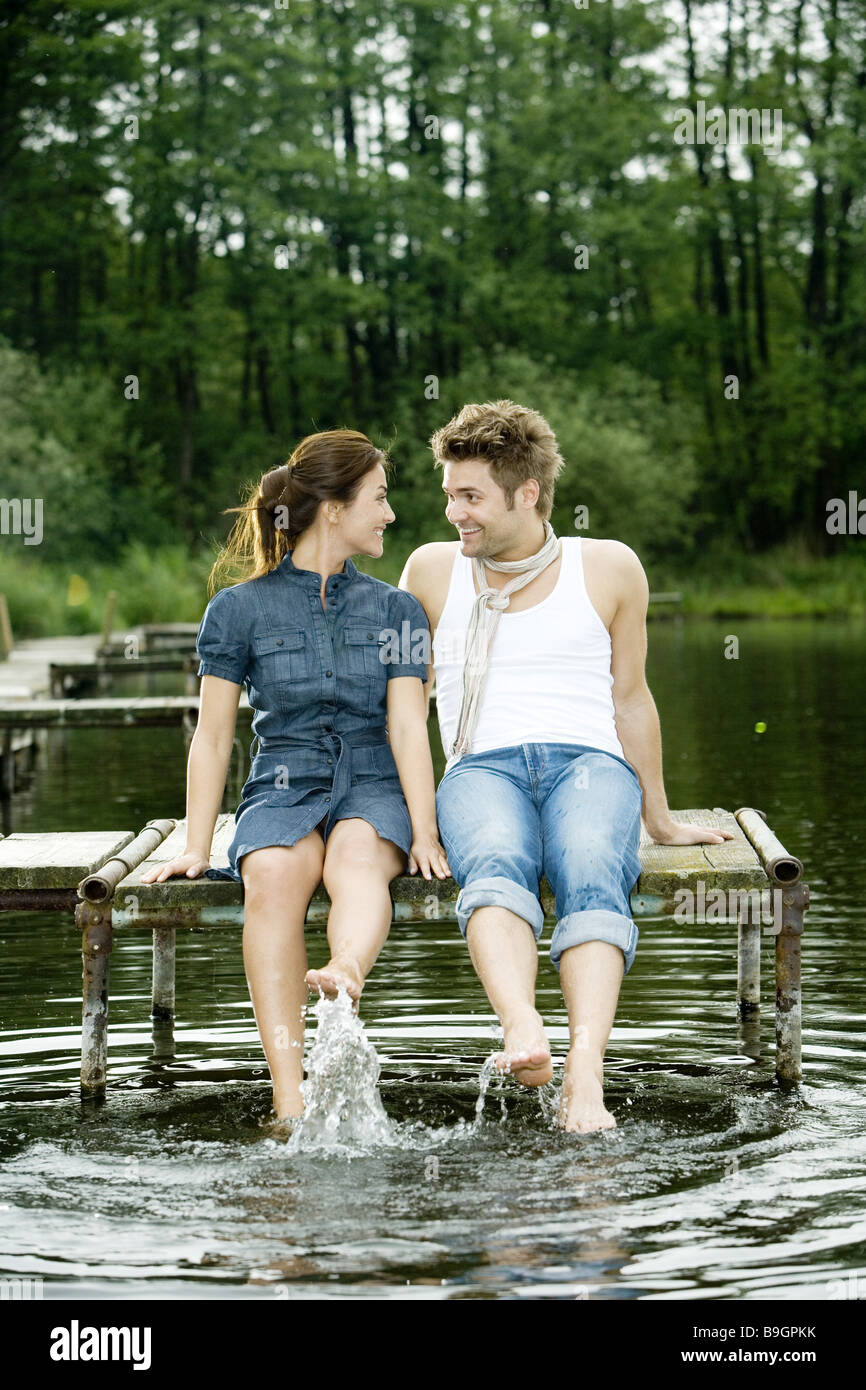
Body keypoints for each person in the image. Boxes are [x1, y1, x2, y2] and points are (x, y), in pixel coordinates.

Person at [399, 400, 733, 1134]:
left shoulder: (609, 566)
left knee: (588, 863)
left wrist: (661, 816)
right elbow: (402, 701)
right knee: (494, 860)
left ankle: (585, 1077)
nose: (454, 512)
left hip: (590, 764)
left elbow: (632, 697)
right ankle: (523, 1030)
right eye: (450, 493)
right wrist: (407, 818)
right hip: (481, 766)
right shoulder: (429, 570)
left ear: (526, 493)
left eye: (470, 496)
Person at [142, 430, 449, 1123]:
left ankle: (344, 971)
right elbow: (214, 735)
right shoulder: (238, 610)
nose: (390, 514)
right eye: (379, 497)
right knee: (274, 876)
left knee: (357, 859)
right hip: (283, 781)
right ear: (335, 509)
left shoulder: (398, 611)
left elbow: (408, 727)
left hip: (373, 780)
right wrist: (195, 846)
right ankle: (288, 1095)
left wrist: (424, 831)